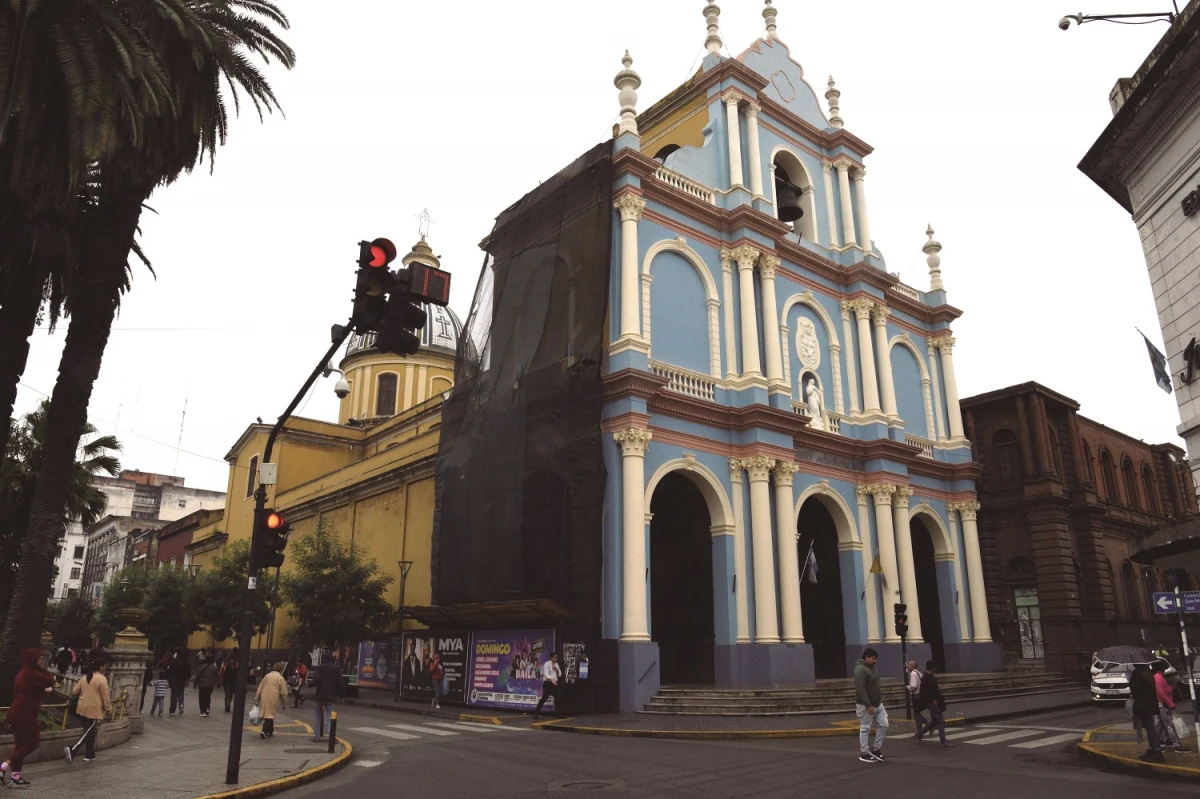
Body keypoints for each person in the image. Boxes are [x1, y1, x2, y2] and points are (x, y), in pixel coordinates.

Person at [1, 648, 58, 787]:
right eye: (40, 659)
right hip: (25, 713)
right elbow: (51, 680)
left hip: (16, 711)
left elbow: (22, 690)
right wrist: (43, 670)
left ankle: (15, 777)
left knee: (20, 745)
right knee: (33, 743)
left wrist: (40, 690)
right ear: (32, 660)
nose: (42, 661)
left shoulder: (22, 673)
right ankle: (3, 767)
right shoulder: (32, 673)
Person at [64, 656, 111, 764]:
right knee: (88, 733)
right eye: (104, 666)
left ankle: (89, 755)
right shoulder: (101, 679)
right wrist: (108, 709)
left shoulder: (85, 677)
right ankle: (72, 749)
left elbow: (75, 691)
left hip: (82, 708)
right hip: (93, 710)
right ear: (100, 667)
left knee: (89, 731)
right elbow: (105, 696)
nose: (105, 668)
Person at [853, 648, 888, 762]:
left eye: (875, 659)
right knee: (865, 728)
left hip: (877, 704)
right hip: (866, 705)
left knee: (884, 725)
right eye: (873, 658)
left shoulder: (871, 669)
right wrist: (868, 705)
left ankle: (876, 749)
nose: (875, 661)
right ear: (866, 657)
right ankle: (864, 752)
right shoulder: (860, 669)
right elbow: (860, 688)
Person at [1154, 661, 1191, 753]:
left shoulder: (1158, 677)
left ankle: (1157, 743)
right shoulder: (1159, 678)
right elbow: (1161, 693)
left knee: (1159, 724)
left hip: (1160, 704)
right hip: (1163, 704)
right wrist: (1170, 703)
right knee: (1169, 725)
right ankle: (1177, 744)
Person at [1130, 663, 1164, 763]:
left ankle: (1156, 751)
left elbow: (1135, 691)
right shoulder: (1148, 674)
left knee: (1150, 727)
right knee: (1150, 727)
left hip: (1142, 705)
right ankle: (1153, 750)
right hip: (1150, 705)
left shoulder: (1137, 674)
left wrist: (1130, 681)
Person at [917, 661, 953, 747]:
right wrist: (932, 700)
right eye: (934, 667)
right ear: (932, 668)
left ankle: (919, 733)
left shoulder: (930, 676)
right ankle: (942, 741)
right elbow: (922, 692)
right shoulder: (926, 678)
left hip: (935, 701)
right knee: (941, 721)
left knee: (934, 721)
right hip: (932, 703)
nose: (936, 669)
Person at [311, 655, 344, 742]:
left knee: (318, 716)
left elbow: (316, 679)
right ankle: (331, 737)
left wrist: (310, 684)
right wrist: (341, 695)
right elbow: (340, 683)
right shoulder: (336, 669)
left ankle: (317, 736)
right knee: (330, 717)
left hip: (320, 696)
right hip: (331, 696)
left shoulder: (320, 668)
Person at [254, 661, 288, 739]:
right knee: (270, 714)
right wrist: (284, 703)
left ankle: (270, 731)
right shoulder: (280, 678)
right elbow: (284, 693)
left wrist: (257, 699)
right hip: (274, 696)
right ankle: (264, 730)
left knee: (267, 711)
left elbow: (260, 687)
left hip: (264, 695)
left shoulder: (267, 676)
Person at [533, 653, 562, 721]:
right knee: (544, 699)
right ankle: (536, 713)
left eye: (556, 657)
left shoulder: (556, 664)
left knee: (558, 697)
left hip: (554, 684)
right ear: (551, 658)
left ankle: (558, 714)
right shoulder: (547, 664)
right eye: (555, 657)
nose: (556, 658)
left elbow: (560, 674)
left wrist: (556, 670)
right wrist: (552, 680)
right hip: (548, 684)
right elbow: (546, 674)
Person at [906, 660, 928, 737]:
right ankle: (926, 727)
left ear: (912, 666)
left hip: (916, 696)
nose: (908, 667)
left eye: (909, 665)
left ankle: (921, 731)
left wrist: (908, 687)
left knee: (916, 714)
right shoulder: (919, 673)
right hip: (921, 695)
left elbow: (914, 685)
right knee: (917, 713)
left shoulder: (913, 674)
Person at [168, 646, 191, 715]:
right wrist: (187, 679)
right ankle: (181, 703)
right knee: (181, 693)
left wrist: (169, 677)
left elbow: (170, 670)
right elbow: (188, 672)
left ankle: (172, 710)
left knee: (174, 694)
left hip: (174, 679)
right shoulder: (186, 662)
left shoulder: (174, 661)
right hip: (182, 680)